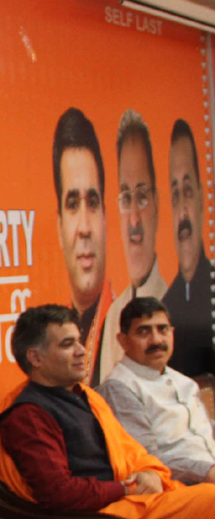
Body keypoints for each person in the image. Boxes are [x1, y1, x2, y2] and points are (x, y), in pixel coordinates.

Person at [0, 304, 215, 519]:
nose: (82, 351)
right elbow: (59, 493)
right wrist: (125, 488)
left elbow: (133, 453)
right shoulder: (29, 415)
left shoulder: (85, 397)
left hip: (127, 504)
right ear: (35, 357)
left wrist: (150, 473)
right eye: (67, 345)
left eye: (79, 342)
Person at [98, 297, 215, 485]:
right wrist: (206, 471)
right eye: (143, 331)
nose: (156, 339)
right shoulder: (119, 388)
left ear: (172, 333)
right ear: (123, 341)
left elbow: (203, 431)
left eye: (163, 329)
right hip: (178, 486)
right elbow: (145, 458)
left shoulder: (182, 382)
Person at [97, 110, 167, 383]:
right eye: (126, 198)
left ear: (158, 202)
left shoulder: (170, 304)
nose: (134, 219)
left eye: (142, 196)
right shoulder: (115, 313)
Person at [52, 107, 114, 385]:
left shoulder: (126, 330)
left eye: (93, 202)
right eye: (73, 205)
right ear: (59, 227)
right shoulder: (56, 337)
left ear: (105, 218)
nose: (85, 228)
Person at [161, 119, 215, 376]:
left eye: (188, 190)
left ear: (203, 199)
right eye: (175, 194)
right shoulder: (163, 308)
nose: (182, 210)